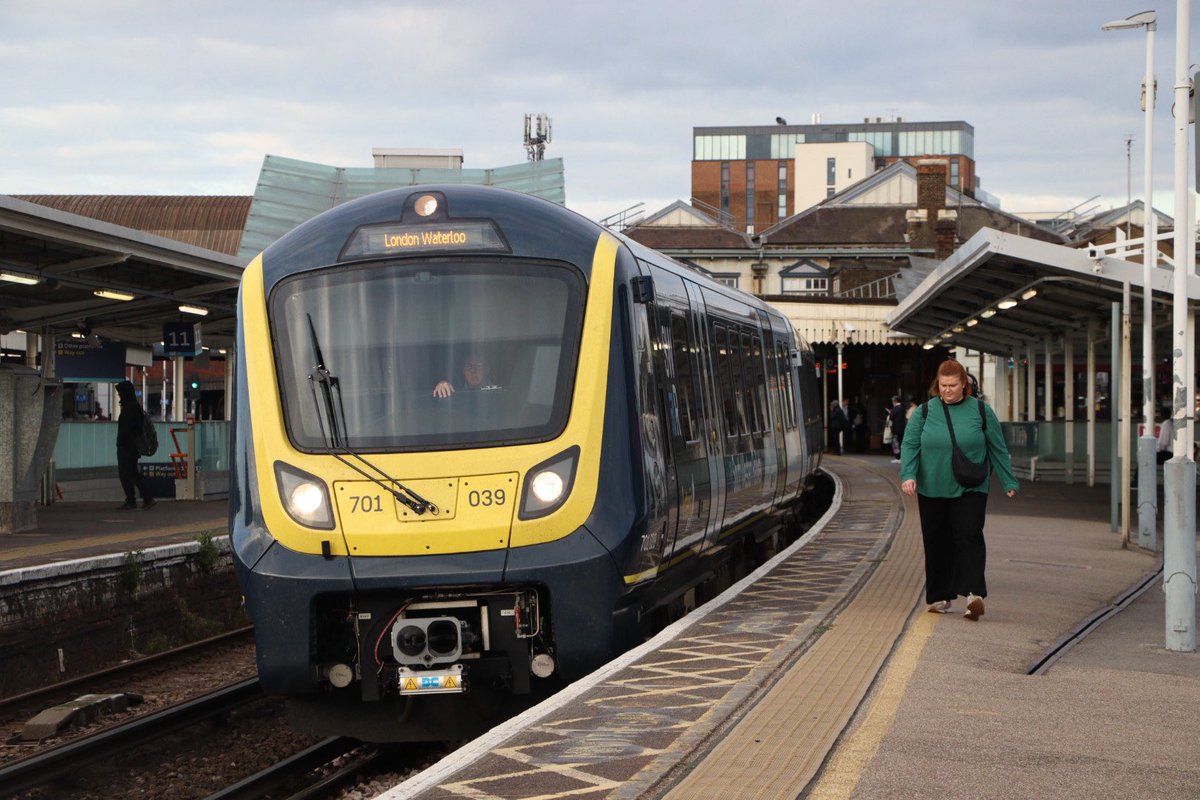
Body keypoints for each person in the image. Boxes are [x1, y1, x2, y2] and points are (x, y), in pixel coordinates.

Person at [899, 360, 1017, 620]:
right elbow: (910, 445)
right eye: (943, 385)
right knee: (936, 540)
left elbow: (997, 448)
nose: (948, 390)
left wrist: (1009, 481)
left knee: (969, 534)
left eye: (953, 385)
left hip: (970, 486)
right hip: (932, 487)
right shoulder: (925, 412)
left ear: (964, 384)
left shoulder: (981, 412)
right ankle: (940, 596)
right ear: (937, 385)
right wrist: (908, 474)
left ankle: (974, 594)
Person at [115, 380, 155, 510]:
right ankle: (146, 497)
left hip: (127, 446)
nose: (119, 395)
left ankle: (132, 500)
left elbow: (128, 428)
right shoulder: (133, 406)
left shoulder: (129, 408)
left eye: (120, 393)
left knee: (125, 473)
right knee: (133, 473)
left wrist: (122, 441)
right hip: (131, 446)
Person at [887, 395, 907, 463]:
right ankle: (902, 457)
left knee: (896, 443)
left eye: (892, 401)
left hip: (896, 428)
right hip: (902, 428)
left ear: (895, 401)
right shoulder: (903, 407)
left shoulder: (895, 408)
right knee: (901, 442)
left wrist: (890, 412)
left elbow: (891, 417)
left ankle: (898, 457)